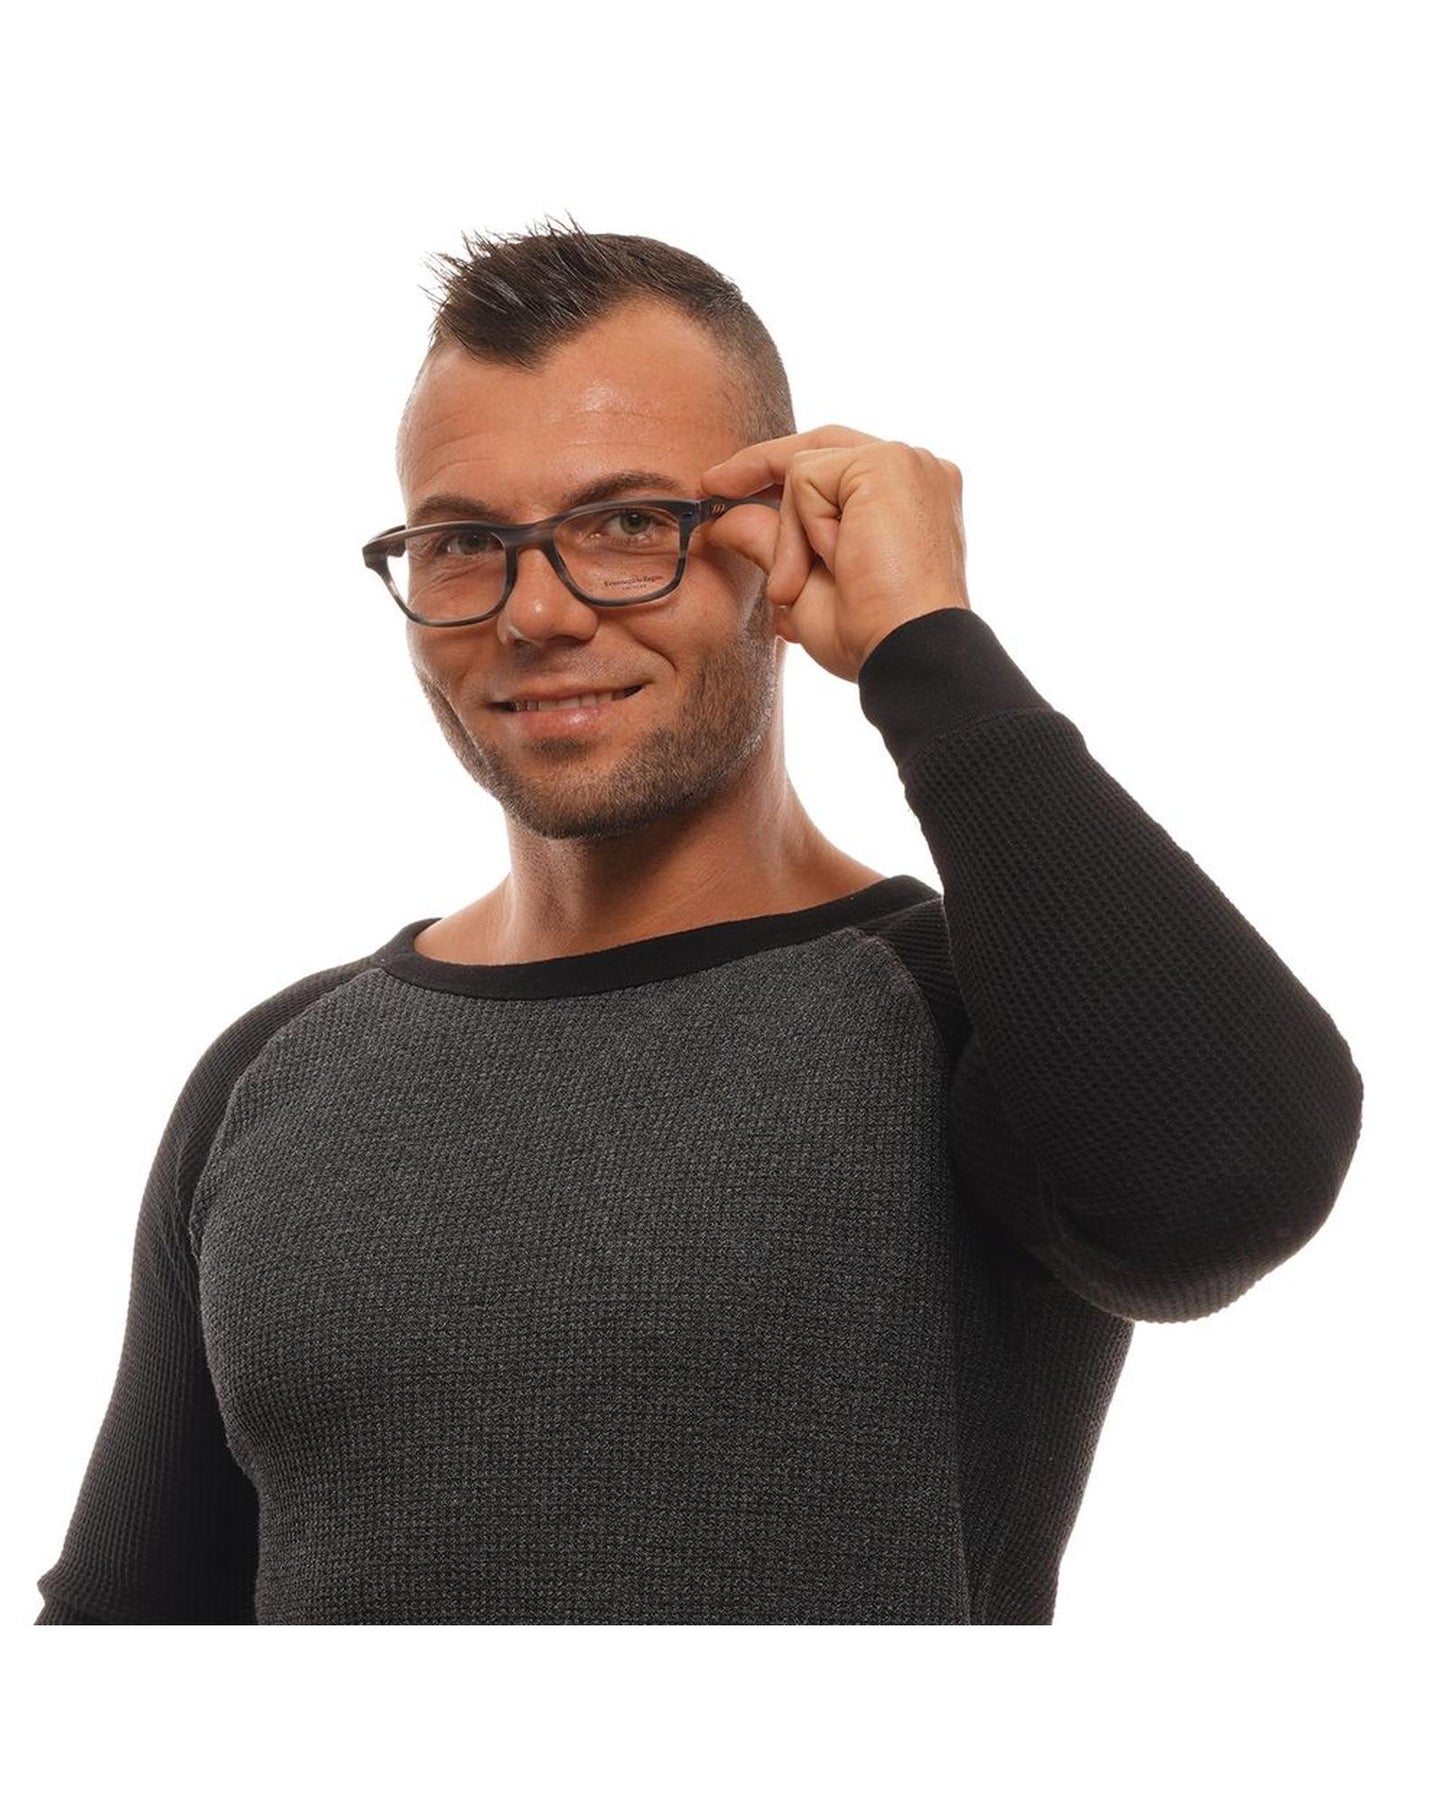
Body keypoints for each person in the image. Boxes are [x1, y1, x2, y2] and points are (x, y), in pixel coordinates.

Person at [34, 221, 1364, 1626]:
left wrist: (926, 646)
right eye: (463, 541)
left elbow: (1223, 1189)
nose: (534, 611)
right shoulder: (277, 1067)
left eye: (625, 525)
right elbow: (129, 1628)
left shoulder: (964, 1005)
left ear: (776, 541)